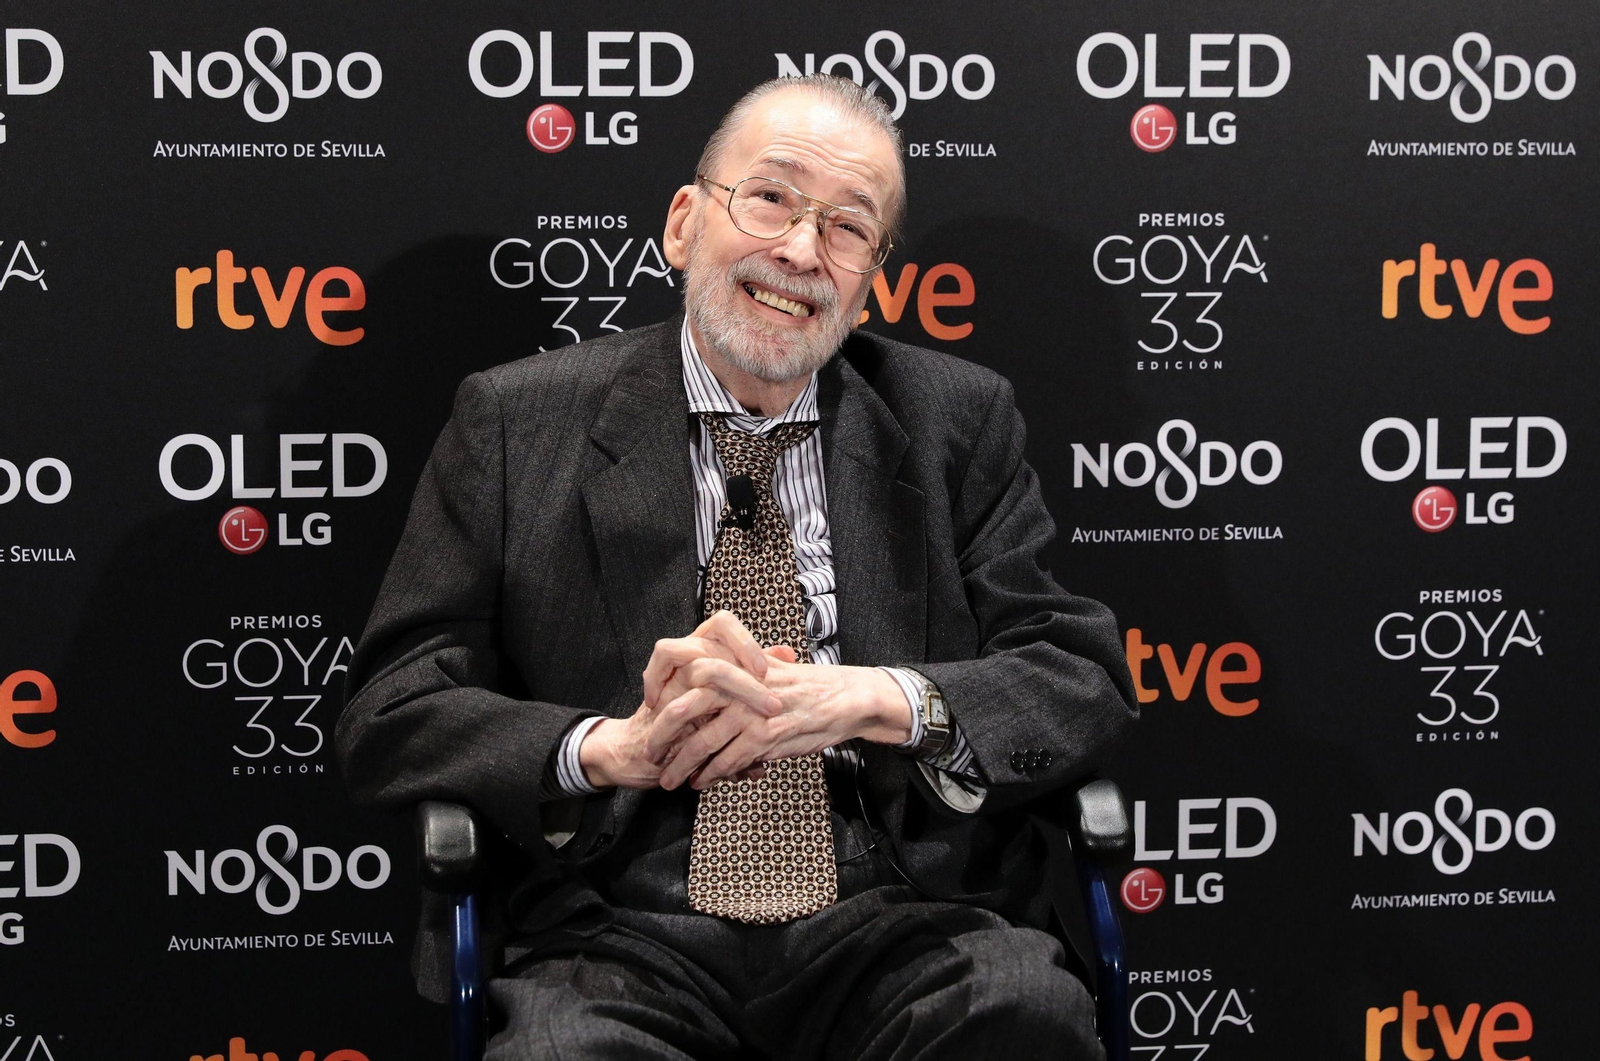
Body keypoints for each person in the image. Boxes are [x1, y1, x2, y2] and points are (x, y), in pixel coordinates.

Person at [337, 73, 1136, 1060]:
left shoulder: (953, 420)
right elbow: (393, 710)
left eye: (848, 228)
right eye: (770, 198)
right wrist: (609, 746)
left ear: (871, 278)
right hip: (619, 922)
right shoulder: (515, 424)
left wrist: (869, 697)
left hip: (900, 912)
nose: (801, 250)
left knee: (1022, 1013)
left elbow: (1078, 673)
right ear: (683, 224)